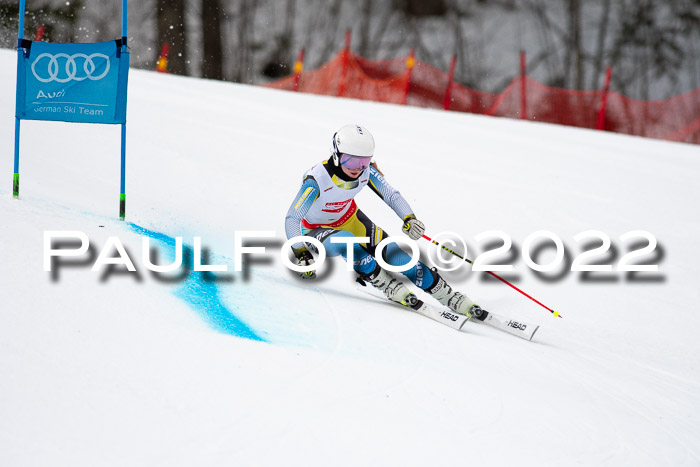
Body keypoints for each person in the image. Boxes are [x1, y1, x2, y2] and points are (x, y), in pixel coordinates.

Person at [284, 124, 486, 320]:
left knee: (399, 258)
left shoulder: (367, 172)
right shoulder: (317, 180)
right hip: (316, 231)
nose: (358, 169)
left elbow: (391, 195)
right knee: (348, 243)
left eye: (364, 162)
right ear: (336, 154)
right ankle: (385, 283)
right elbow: (292, 218)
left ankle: (448, 296)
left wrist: (409, 219)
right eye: (351, 162)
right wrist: (301, 253)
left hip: (352, 220)